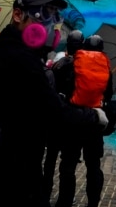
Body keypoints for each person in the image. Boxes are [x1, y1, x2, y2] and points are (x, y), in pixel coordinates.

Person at [0, 0, 107, 207]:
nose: (51, 23)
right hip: (15, 165)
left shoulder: (3, 48)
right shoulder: (22, 59)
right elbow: (54, 110)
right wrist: (94, 116)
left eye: (55, 15)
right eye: (44, 14)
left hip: (5, 159)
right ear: (18, 14)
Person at [54, 34, 113, 207]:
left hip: (74, 121)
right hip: (95, 122)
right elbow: (108, 95)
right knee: (94, 166)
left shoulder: (73, 64)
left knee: (68, 165)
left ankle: (64, 202)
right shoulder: (106, 68)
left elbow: (63, 90)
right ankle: (93, 202)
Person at [42, 29, 86, 202]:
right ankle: (65, 201)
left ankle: (44, 196)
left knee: (49, 162)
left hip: (56, 120)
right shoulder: (86, 69)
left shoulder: (58, 65)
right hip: (75, 122)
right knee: (68, 166)